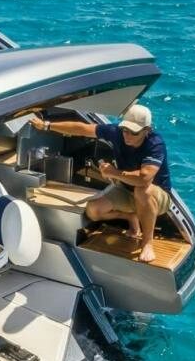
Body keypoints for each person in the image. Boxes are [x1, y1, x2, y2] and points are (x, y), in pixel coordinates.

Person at [30, 103, 173, 263]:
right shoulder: (117, 133)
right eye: (124, 129)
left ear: (147, 130)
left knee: (142, 190)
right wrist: (47, 125)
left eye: (133, 132)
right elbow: (83, 129)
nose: (127, 135)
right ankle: (131, 216)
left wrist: (113, 172)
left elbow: (144, 178)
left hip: (157, 196)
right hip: (126, 190)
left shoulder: (155, 144)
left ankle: (147, 243)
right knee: (93, 211)